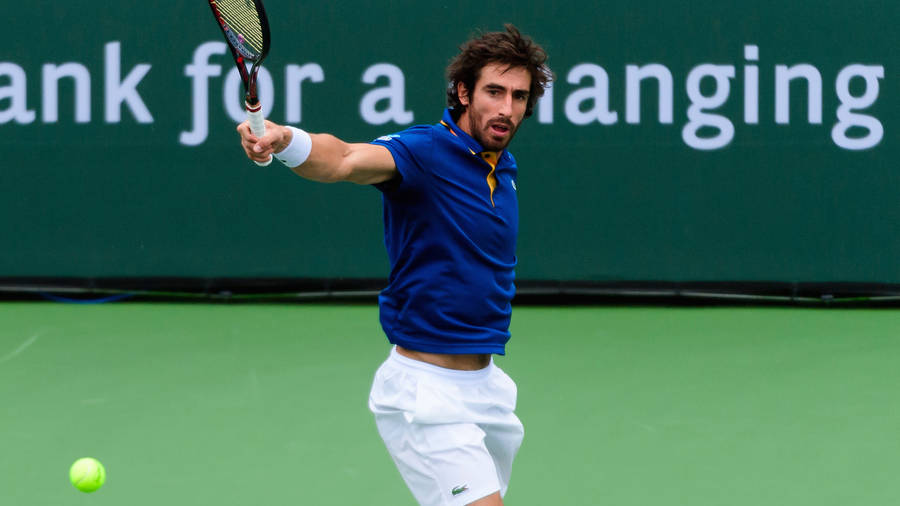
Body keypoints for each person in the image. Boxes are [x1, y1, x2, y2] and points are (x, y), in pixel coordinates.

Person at [237, 24, 552, 506]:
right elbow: (343, 159)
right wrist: (286, 141)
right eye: (494, 91)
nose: (507, 108)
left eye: (519, 96)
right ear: (464, 92)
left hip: (487, 391)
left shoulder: (500, 169)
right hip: (425, 395)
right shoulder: (424, 152)